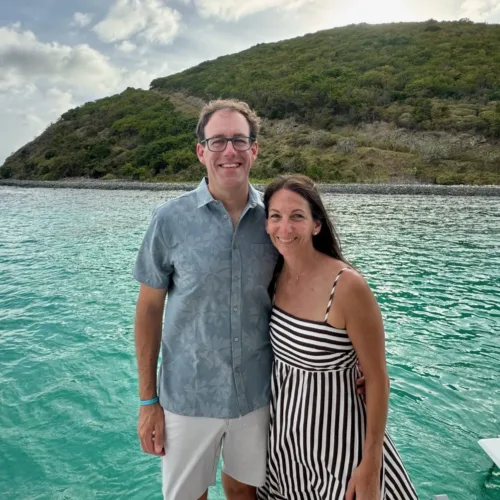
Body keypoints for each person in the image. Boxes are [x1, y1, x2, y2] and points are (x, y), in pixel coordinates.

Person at [133, 99, 279, 500]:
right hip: (187, 395)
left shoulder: (276, 220)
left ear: (255, 149)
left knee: (244, 493)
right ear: (201, 151)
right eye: (217, 141)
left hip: (256, 393)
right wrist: (148, 401)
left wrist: (349, 359)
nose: (229, 151)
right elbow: (148, 310)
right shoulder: (169, 220)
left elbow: (311, 288)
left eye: (239, 140)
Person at [257, 174, 418, 500]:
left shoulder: (347, 286)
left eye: (297, 217)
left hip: (340, 450)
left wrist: (371, 464)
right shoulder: (274, 275)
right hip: (284, 450)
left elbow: (377, 378)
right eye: (276, 216)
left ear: (317, 225)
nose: (284, 229)